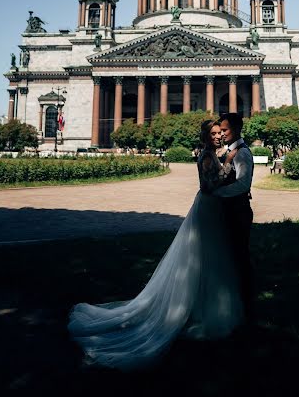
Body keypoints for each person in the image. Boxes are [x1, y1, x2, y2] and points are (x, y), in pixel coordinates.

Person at [68, 120, 243, 371]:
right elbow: (208, 184)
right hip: (208, 206)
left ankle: (199, 304)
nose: (219, 136)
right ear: (205, 137)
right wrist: (227, 163)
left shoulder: (211, 154)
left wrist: (224, 161)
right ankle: (201, 308)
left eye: (220, 133)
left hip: (209, 208)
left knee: (208, 256)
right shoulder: (207, 156)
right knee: (206, 254)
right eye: (214, 133)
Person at [214, 113, 255, 324]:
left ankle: (246, 304)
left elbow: (242, 185)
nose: (221, 134)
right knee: (232, 256)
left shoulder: (242, 153)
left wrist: (216, 194)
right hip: (231, 210)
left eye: (225, 130)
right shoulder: (230, 152)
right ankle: (236, 301)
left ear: (237, 129)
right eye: (220, 130)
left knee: (239, 257)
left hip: (238, 211)